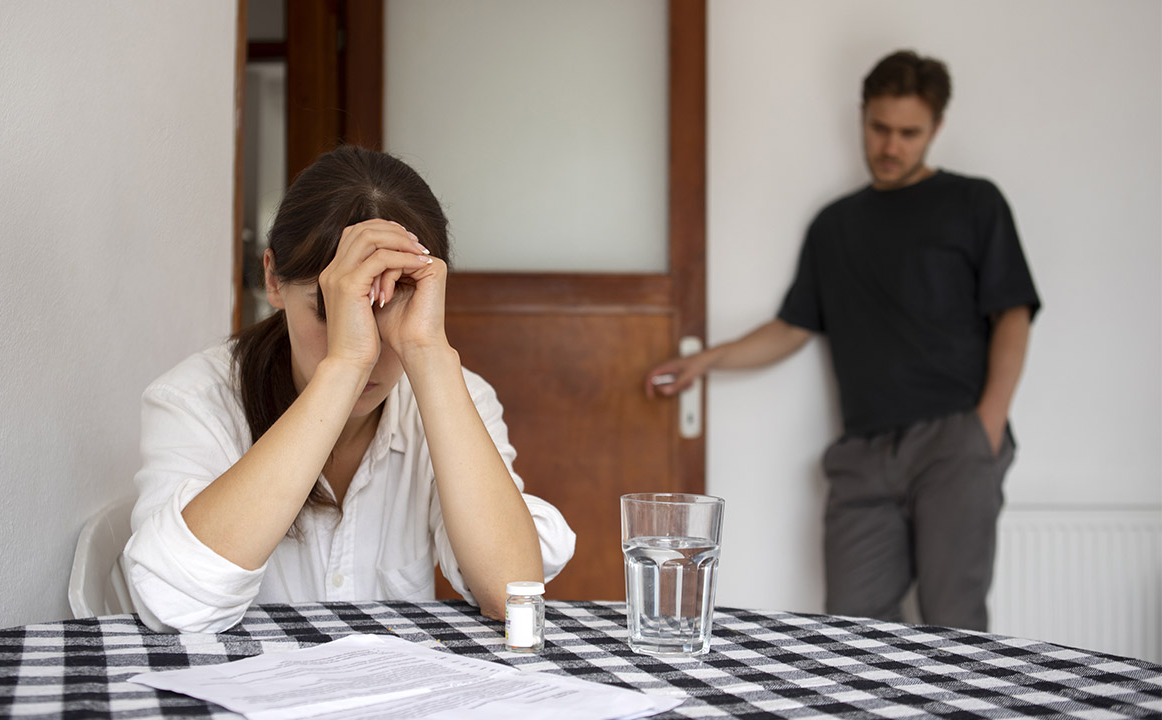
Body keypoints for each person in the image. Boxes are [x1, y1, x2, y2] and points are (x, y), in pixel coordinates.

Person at [645, 50, 1039, 631]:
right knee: (854, 630)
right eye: (880, 128)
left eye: (910, 133)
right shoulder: (835, 226)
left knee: (954, 624)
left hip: (955, 442)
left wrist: (986, 428)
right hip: (862, 455)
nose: (891, 146)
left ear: (936, 129)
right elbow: (792, 327)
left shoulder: (975, 204)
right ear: (862, 116)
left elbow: (1013, 315)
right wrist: (707, 361)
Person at [123, 146, 576, 634]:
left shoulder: (453, 396)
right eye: (331, 310)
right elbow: (171, 602)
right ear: (273, 279)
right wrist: (342, 367)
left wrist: (426, 352)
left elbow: (512, 595)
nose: (368, 346)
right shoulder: (196, 400)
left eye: (392, 306)